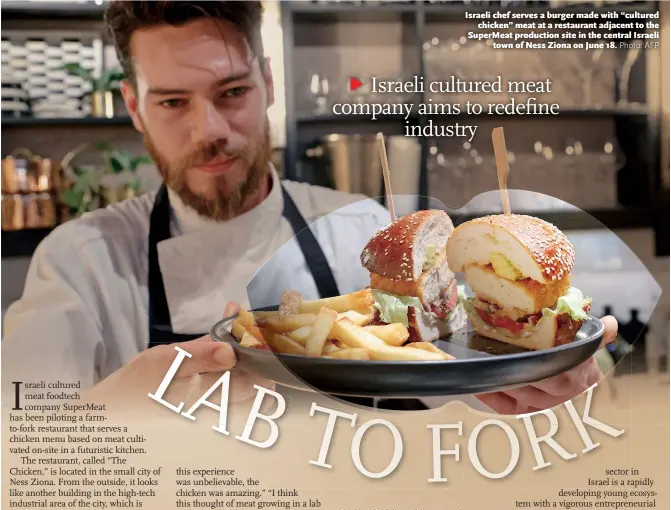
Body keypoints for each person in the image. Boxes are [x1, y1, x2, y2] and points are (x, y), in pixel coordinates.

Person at [2, 1, 616, 415]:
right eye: (171, 103)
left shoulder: (366, 230)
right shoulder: (80, 262)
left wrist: (544, 381)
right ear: (134, 108)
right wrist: (106, 418)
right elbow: (22, 444)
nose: (209, 128)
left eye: (233, 91)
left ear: (269, 82)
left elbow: (456, 383)